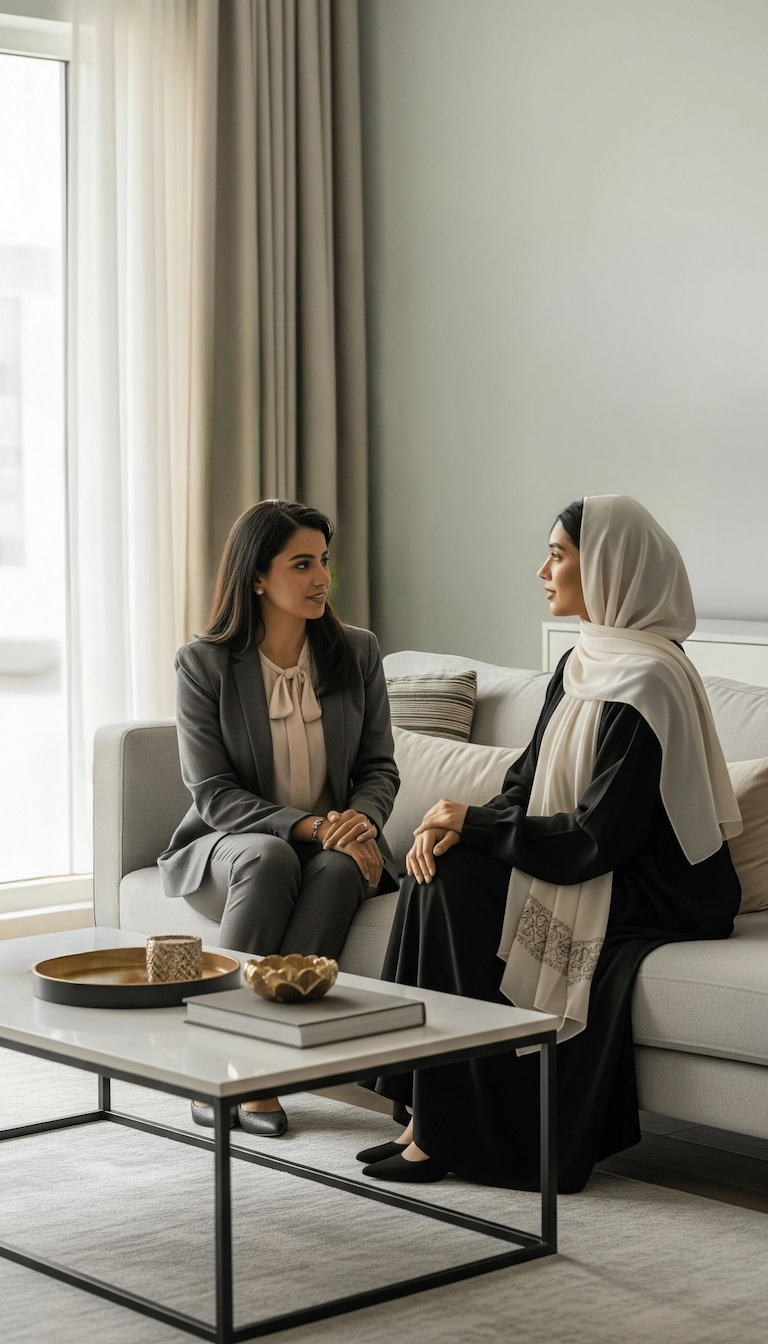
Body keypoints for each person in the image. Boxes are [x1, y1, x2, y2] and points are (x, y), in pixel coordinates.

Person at [357, 495, 742, 1191]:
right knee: (435, 867)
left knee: (454, 879)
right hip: (590, 855)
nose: (544, 569)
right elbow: (527, 782)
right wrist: (454, 825)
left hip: (650, 886)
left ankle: (443, 1131)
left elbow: (597, 838)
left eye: (559, 555)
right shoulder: (582, 661)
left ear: (611, 570)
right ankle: (425, 1112)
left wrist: (473, 826)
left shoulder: (651, 682)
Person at [159, 499, 399, 1135]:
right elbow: (212, 791)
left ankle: (263, 1073)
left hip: (329, 846)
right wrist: (312, 826)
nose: (322, 578)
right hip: (230, 846)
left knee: (343, 869)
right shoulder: (203, 663)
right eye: (302, 564)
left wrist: (356, 824)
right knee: (270, 857)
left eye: (324, 562)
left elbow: (379, 769)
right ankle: (214, 1063)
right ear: (257, 576)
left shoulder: (358, 651)